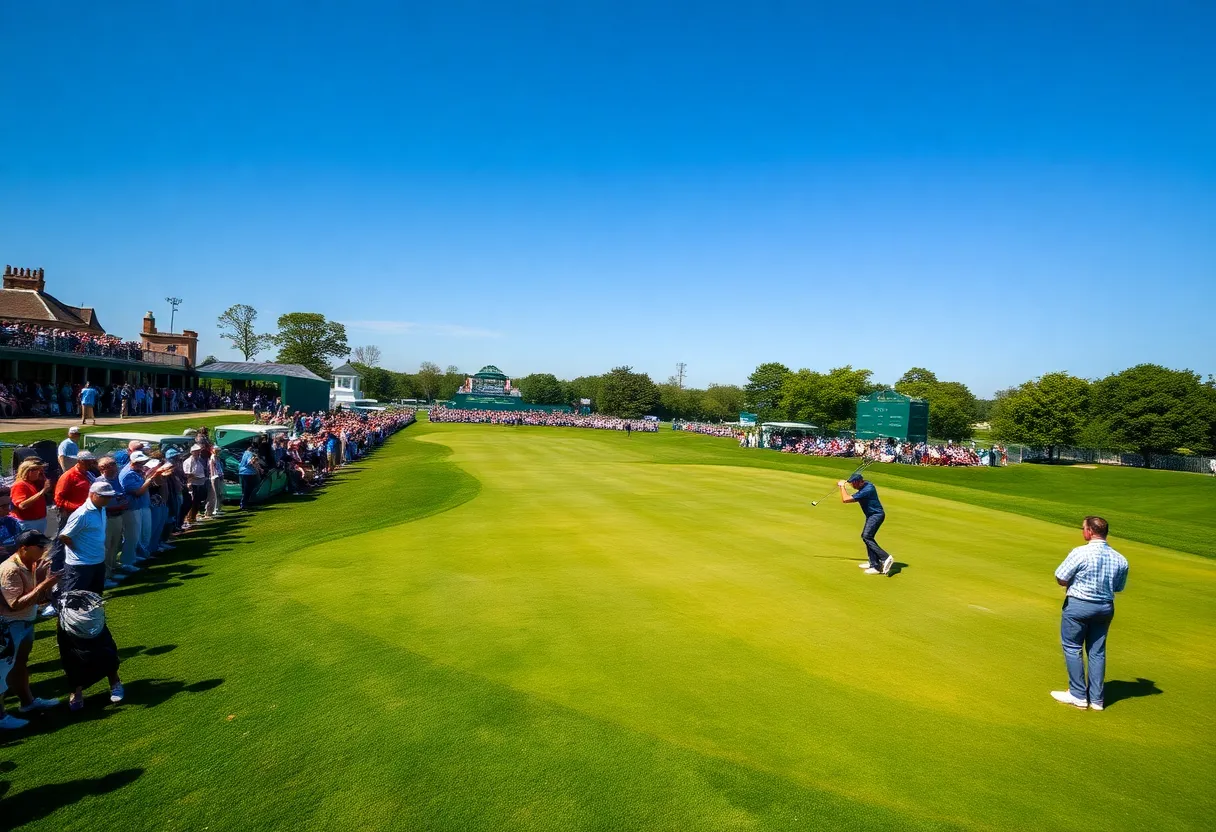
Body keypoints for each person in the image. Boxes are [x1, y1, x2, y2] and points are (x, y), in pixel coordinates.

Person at [1051, 516, 1129, 711]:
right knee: (1097, 651)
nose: (1082, 531)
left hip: (1078, 606)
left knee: (1072, 647)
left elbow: (1060, 577)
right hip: (1104, 608)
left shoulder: (1080, 553)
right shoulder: (1120, 558)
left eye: (1083, 528)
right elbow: (1118, 587)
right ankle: (1097, 700)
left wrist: (1072, 583)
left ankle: (1077, 695)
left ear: (1090, 532)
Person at [0, 530, 62, 727]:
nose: (45, 550)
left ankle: (27, 703)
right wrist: (44, 583)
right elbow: (15, 604)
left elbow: (40, 600)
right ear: (24, 548)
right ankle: (1, 717)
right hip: (9, 627)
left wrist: (44, 581)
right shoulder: (10, 569)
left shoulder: (33, 564)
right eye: (40, 547)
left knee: (20, 665)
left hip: (25, 623)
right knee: (2, 672)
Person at [57, 480, 116, 597]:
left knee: (95, 598)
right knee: (74, 601)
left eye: (110, 496)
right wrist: (79, 550)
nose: (108, 499)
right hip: (80, 565)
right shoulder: (82, 514)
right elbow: (64, 536)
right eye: (104, 497)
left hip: (98, 561)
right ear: (92, 494)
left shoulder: (102, 508)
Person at [837, 472, 894, 575]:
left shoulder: (867, 490)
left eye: (853, 484)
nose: (852, 486)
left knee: (866, 536)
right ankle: (874, 563)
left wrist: (842, 487)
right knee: (868, 537)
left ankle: (885, 557)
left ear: (859, 482)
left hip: (876, 515)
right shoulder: (867, 484)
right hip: (872, 515)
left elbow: (845, 499)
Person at [9, 459, 51, 534]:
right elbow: (22, 505)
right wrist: (42, 492)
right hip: (27, 523)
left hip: (39, 521)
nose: (40, 473)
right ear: (28, 471)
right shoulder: (20, 485)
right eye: (37, 470)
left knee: (39, 545)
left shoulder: (34, 483)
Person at [182, 443, 209, 528]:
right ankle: (188, 519)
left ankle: (193, 518)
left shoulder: (198, 460)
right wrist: (191, 480)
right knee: (192, 502)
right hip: (192, 483)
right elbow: (186, 474)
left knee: (197, 502)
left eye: (199, 451)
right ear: (192, 452)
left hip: (199, 482)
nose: (198, 453)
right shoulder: (188, 461)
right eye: (196, 451)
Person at [238, 440, 261, 510]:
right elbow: (251, 462)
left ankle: (245, 503)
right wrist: (258, 469)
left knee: (245, 489)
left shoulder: (245, 453)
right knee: (247, 489)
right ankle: (244, 504)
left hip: (243, 472)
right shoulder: (250, 454)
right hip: (247, 473)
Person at [205, 445, 225, 517]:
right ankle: (215, 510)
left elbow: (219, 467)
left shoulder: (217, 457)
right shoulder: (213, 457)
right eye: (217, 450)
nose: (218, 452)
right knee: (215, 494)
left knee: (219, 494)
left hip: (218, 476)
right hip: (215, 477)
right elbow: (214, 468)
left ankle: (218, 509)